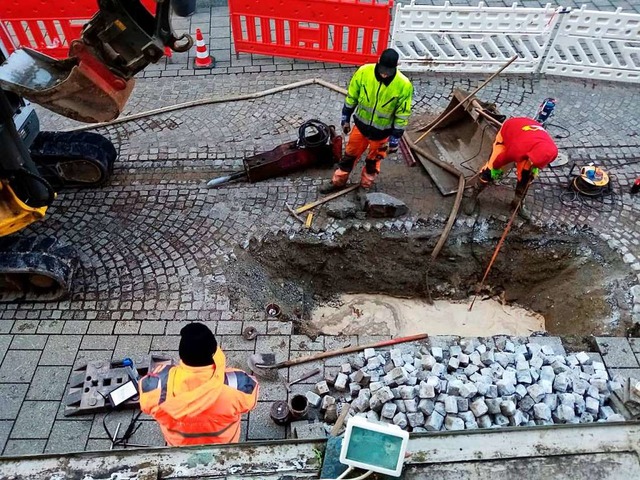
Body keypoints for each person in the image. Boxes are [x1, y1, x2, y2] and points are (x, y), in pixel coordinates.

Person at [139, 322, 259, 446]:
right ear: (213, 353)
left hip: (179, 448)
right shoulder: (238, 385)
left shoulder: (154, 385)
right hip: (224, 446)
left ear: (181, 355)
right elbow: (251, 402)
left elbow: (146, 406)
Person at [320, 48, 413, 193]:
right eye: (382, 69)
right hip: (360, 127)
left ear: (395, 67)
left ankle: (365, 187)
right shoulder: (364, 72)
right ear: (378, 62)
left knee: (373, 163)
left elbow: (402, 114)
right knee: (348, 157)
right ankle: (337, 182)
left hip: (382, 134)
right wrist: (346, 117)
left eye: (388, 71)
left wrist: (395, 138)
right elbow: (352, 97)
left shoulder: (404, 85)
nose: (384, 74)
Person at [463, 116, 559, 220]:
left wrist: (534, 167)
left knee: (526, 176)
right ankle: (474, 196)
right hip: (510, 129)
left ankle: (517, 202)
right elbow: (500, 160)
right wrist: (495, 170)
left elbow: (541, 160)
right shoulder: (518, 149)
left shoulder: (553, 151)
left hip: (529, 136)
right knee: (488, 172)